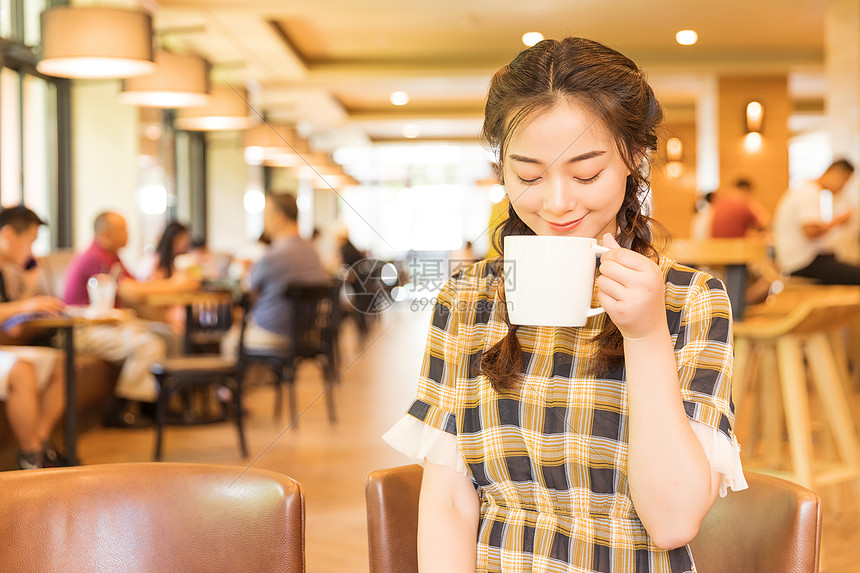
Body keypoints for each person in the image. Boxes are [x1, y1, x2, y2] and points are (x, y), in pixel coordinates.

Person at [383, 37, 747, 571]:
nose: (556, 203)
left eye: (585, 174)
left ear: (634, 159)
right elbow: (449, 503)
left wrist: (645, 336)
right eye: (528, 176)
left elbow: (673, 521)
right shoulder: (466, 299)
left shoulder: (689, 300)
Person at [62, 212, 199, 427]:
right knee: (149, 345)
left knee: (171, 336)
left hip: (111, 324)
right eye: (123, 230)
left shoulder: (112, 256)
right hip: (84, 328)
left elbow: (139, 288)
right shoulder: (94, 258)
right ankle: (120, 408)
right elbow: (132, 293)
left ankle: (158, 405)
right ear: (105, 235)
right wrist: (178, 284)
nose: (128, 234)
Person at [0, 205, 68, 468]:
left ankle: (38, 446)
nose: (31, 251)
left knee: (61, 363)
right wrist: (26, 305)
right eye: (30, 241)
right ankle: (31, 456)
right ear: (8, 234)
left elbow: (13, 328)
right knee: (22, 370)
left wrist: (28, 288)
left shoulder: (7, 270)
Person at [223, 193, 328, 355]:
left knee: (230, 341)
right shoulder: (313, 252)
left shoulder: (274, 255)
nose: (264, 222)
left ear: (280, 218)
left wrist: (248, 270)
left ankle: (248, 380)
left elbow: (248, 287)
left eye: (266, 215)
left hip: (275, 331)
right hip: (307, 331)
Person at [773, 159, 860, 284]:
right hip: (803, 263)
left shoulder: (806, 190)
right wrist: (838, 220)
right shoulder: (809, 192)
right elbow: (811, 232)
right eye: (845, 181)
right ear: (836, 173)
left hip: (798, 261)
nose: (843, 188)